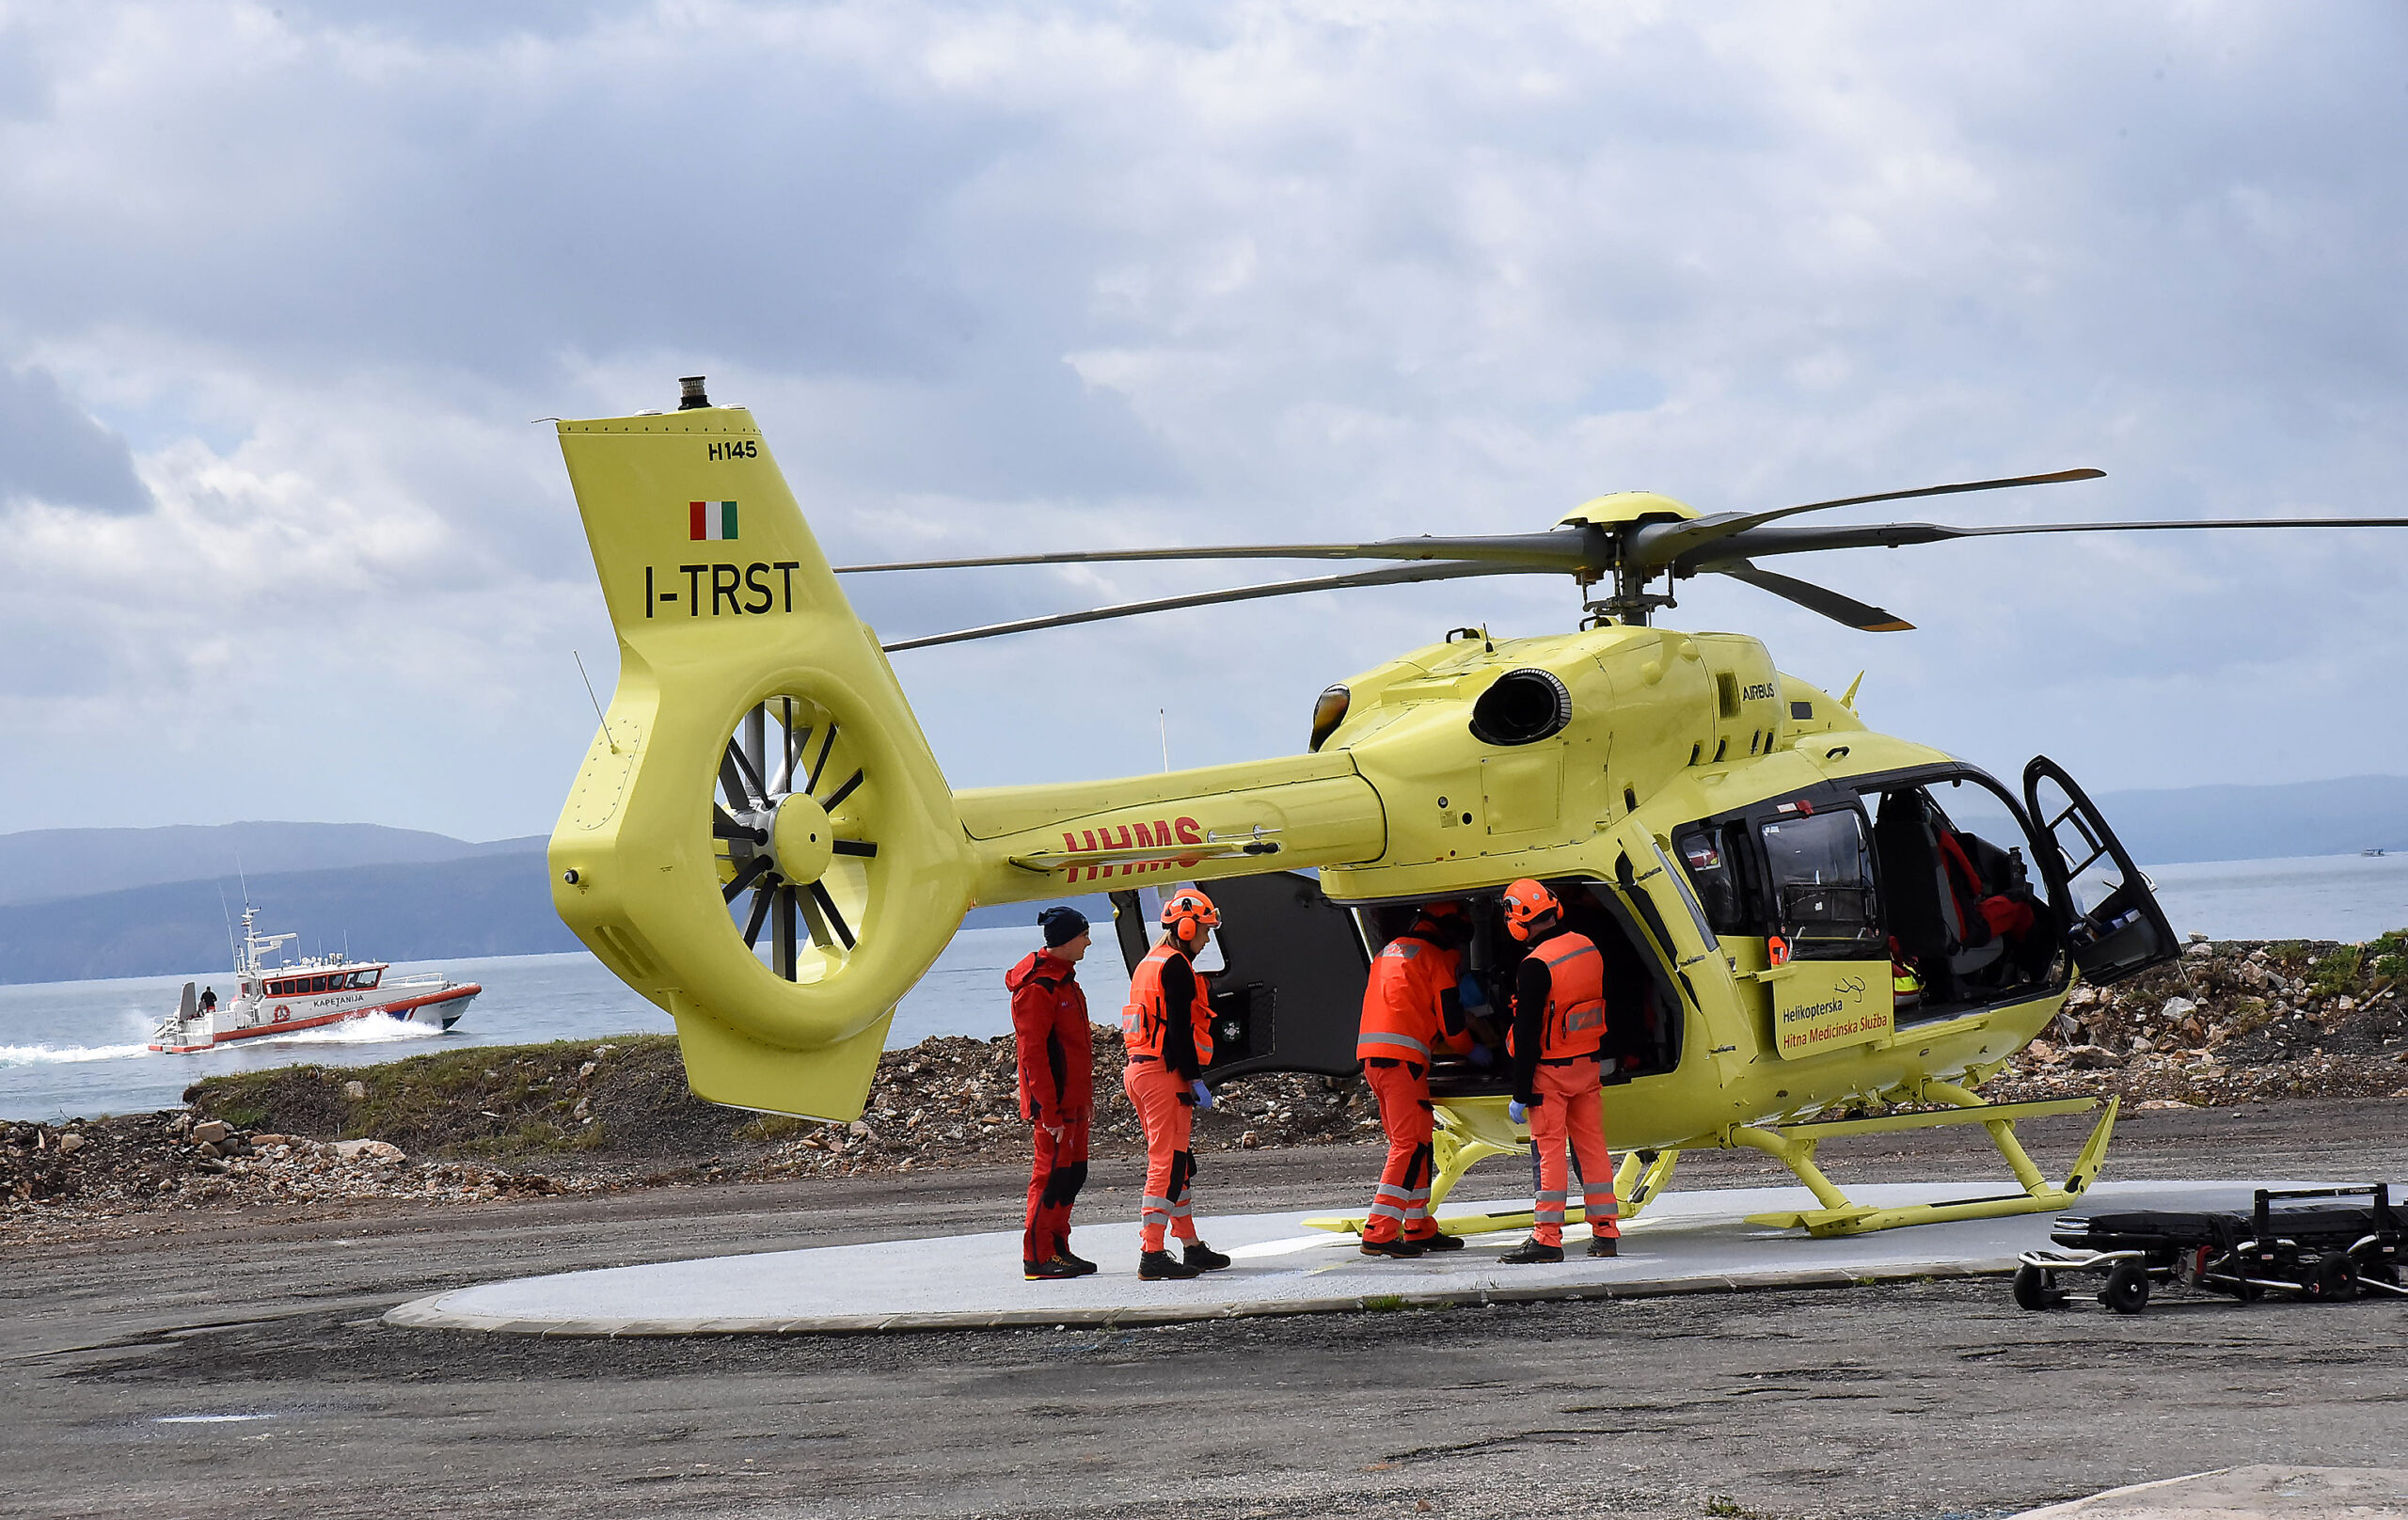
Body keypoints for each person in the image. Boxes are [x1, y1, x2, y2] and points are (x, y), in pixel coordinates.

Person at [1498, 879, 1620, 1264]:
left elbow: (1530, 1033)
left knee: (1548, 1151)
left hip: (1548, 1074)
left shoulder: (1536, 965)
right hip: (1587, 1065)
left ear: (1519, 921)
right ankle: (1606, 1232)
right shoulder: (1588, 947)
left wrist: (1520, 1092)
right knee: (1592, 1148)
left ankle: (1547, 1238)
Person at [1355, 901, 1486, 1259]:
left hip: (1374, 1059)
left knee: (1417, 1142)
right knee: (1410, 1145)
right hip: (1403, 1062)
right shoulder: (1436, 959)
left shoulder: (1388, 953)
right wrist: (1474, 1050)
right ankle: (1379, 1231)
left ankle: (1417, 1226)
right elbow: (1451, 1024)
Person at [1120, 885, 1233, 1281]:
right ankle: (1151, 1252)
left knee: (1179, 1163)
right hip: (1161, 1073)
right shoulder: (1176, 967)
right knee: (1167, 1163)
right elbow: (1180, 1034)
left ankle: (1189, 1244)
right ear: (1186, 928)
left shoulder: (1150, 962)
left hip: (1141, 1069)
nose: (1206, 940)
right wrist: (1195, 1079)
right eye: (1204, 931)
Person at [1009, 905, 1099, 1281]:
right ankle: (1037, 1256)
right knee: (1049, 1176)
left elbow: (1074, 1050)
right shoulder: (1039, 988)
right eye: (1083, 935)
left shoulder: (1063, 981)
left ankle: (1058, 1247)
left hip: (1073, 1102)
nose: (1088, 942)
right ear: (1065, 940)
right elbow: (1034, 1057)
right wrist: (1048, 1111)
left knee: (1072, 1174)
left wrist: (1084, 1100)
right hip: (1054, 1106)